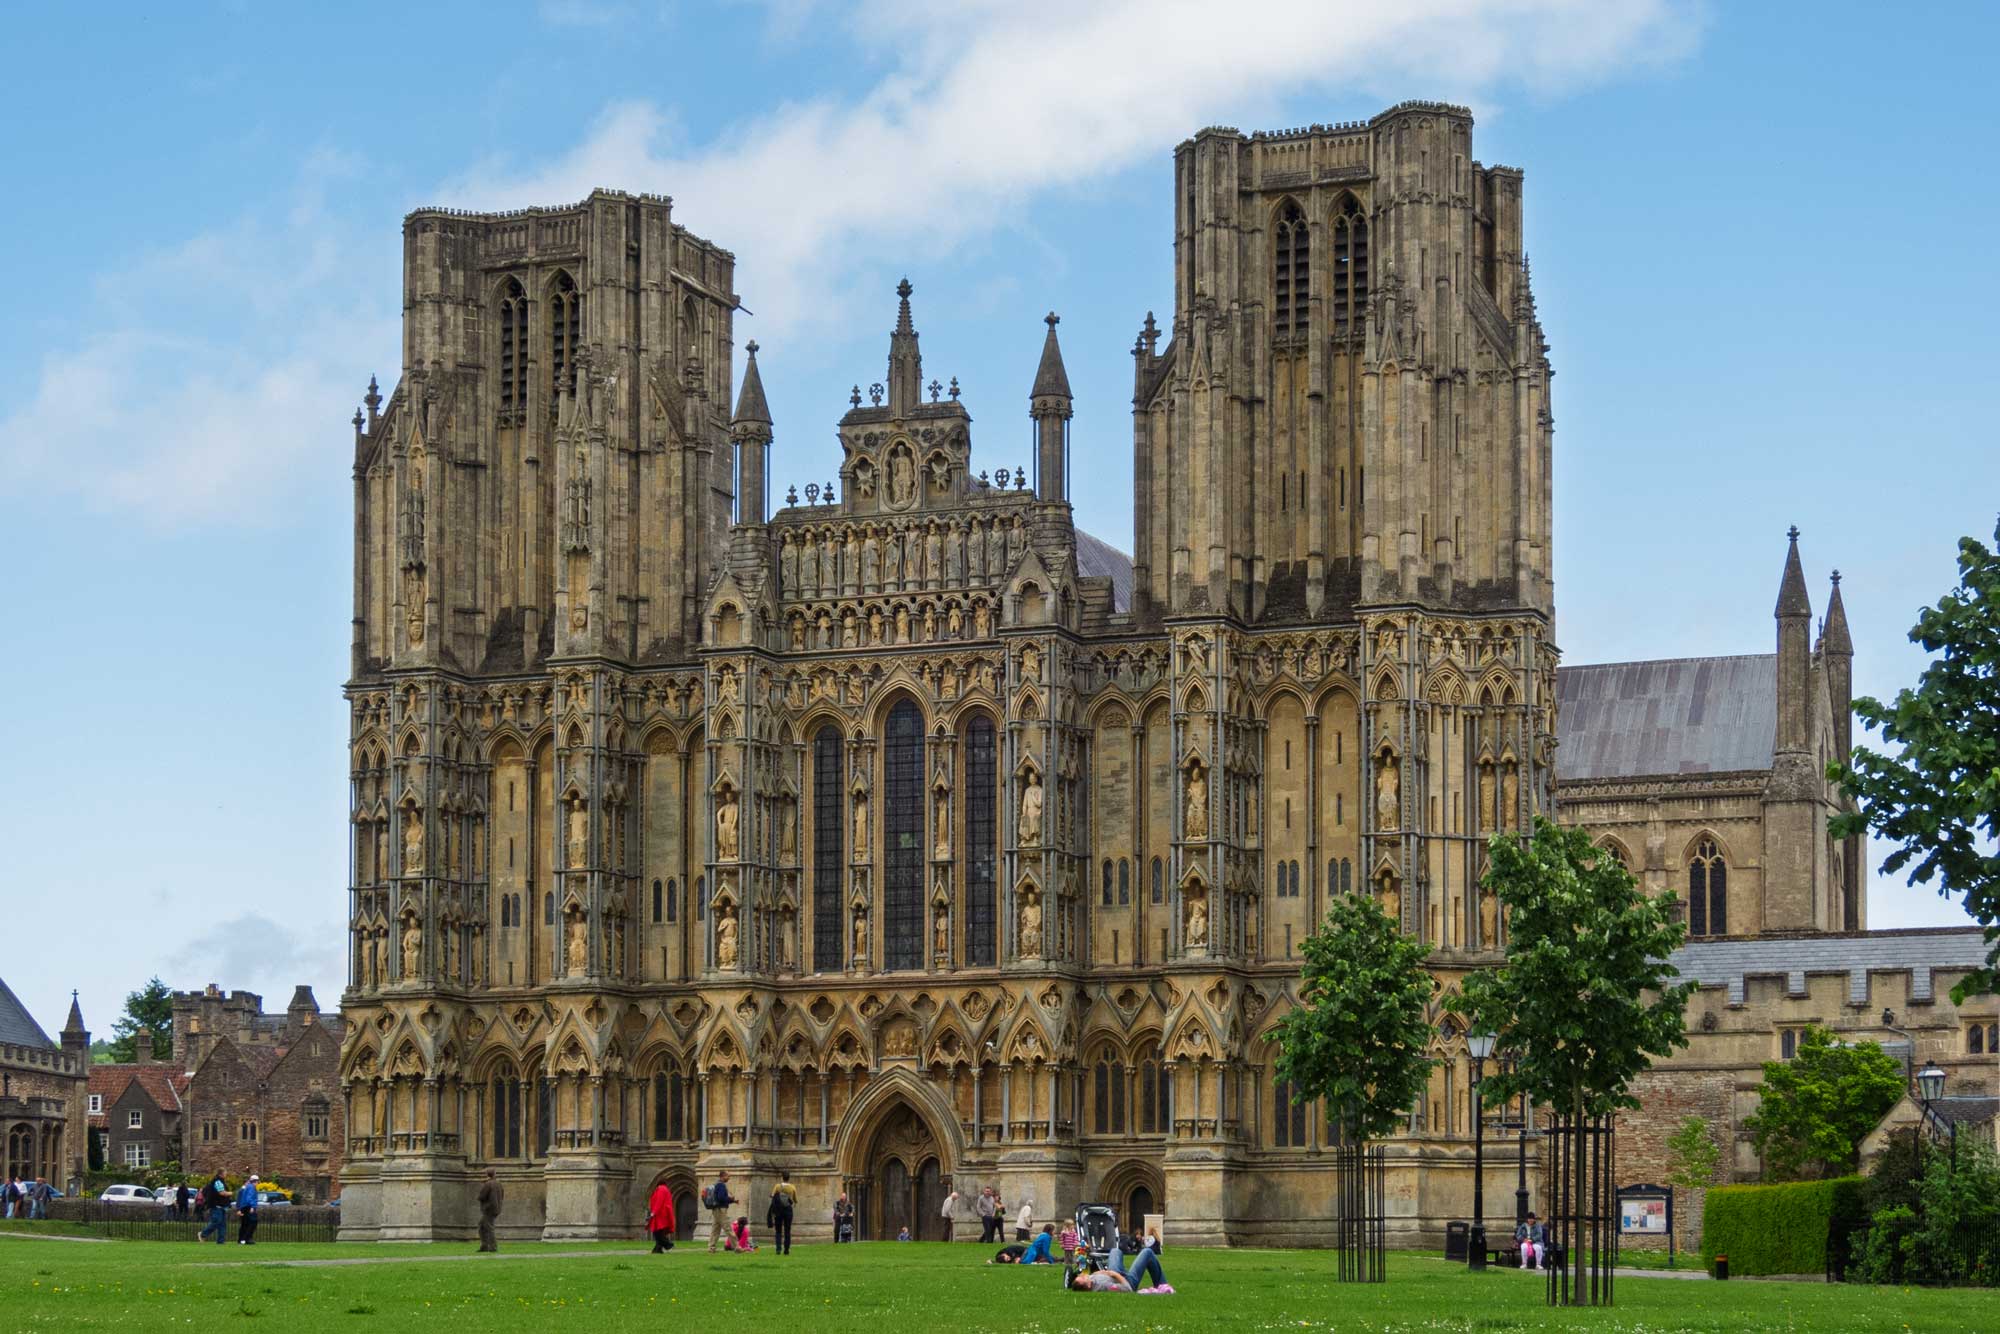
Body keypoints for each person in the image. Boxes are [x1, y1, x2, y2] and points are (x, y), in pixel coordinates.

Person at [704, 1170, 735, 1253]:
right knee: (728, 1228)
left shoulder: (717, 1184)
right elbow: (721, 1198)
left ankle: (711, 1248)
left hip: (716, 1209)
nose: (729, 1177)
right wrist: (730, 1199)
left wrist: (733, 1201)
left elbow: (720, 1198)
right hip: (721, 1210)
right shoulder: (721, 1185)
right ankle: (737, 1247)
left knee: (715, 1229)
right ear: (722, 1176)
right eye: (728, 1176)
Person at [766, 1173, 796, 1255]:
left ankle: (778, 1249)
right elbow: (794, 1199)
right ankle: (786, 1249)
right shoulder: (792, 1187)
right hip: (788, 1210)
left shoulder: (777, 1186)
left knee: (778, 1230)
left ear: (782, 1178)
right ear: (788, 1178)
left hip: (778, 1210)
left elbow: (772, 1196)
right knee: (787, 1230)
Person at [476, 1169, 503, 1253]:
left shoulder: (488, 1184)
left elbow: (482, 1196)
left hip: (488, 1209)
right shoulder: (499, 1184)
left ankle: (492, 1247)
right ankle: (484, 1246)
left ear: (487, 1175)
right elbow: (502, 1196)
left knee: (489, 1227)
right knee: (482, 1226)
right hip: (496, 1208)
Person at [647, 1178, 676, 1253]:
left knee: (657, 1232)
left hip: (660, 1214)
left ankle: (668, 1244)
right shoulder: (665, 1189)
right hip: (663, 1213)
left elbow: (659, 1201)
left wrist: (653, 1212)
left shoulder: (661, 1189)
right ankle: (658, 1249)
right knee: (659, 1232)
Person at [197, 1174, 228, 1244]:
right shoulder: (217, 1183)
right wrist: (230, 1193)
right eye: (225, 1173)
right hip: (216, 1206)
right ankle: (203, 1234)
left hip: (221, 1205)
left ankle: (221, 1240)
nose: (226, 1175)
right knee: (216, 1222)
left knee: (222, 1224)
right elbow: (221, 1193)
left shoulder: (218, 1183)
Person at [235, 1174, 261, 1245]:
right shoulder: (251, 1187)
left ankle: (241, 1239)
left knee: (244, 1224)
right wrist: (252, 1206)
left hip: (244, 1207)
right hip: (248, 1207)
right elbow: (250, 1198)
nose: (257, 1183)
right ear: (255, 1181)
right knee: (253, 1222)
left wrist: (239, 1209)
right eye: (257, 1182)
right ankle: (247, 1238)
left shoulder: (247, 1187)